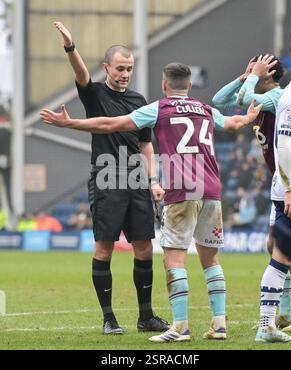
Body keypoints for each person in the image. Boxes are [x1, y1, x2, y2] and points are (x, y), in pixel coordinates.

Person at [40, 62, 262, 342]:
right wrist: (249, 116)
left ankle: (180, 327)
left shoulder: (159, 108)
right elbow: (233, 123)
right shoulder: (205, 109)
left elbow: (110, 124)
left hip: (182, 190)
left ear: (164, 85)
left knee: (174, 260)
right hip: (211, 190)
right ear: (190, 86)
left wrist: (69, 123)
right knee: (211, 260)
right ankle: (219, 325)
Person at [52, 22, 169, 335]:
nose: (125, 74)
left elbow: (146, 143)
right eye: (120, 68)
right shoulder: (95, 94)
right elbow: (81, 74)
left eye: (129, 68)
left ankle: (146, 317)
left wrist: (154, 180)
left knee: (144, 249)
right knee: (104, 249)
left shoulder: (138, 100)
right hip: (106, 179)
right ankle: (109, 319)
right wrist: (70, 46)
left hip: (137, 183)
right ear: (107, 67)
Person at [213, 54, 291, 332]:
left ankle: (287, 311)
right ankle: (286, 313)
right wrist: (245, 76)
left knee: (282, 248)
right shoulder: (256, 94)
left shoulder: (277, 97)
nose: (251, 72)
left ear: (268, 74)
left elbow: (244, 98)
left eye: (257, 68)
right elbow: (219, 101)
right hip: (281, 180)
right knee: (275, 247)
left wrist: (252, 77)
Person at [255, 53, 291, 342]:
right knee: (281, 256)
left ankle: (268, 326)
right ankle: (266, 326)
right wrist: (290, 190)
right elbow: (283, 146)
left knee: (283, 256)